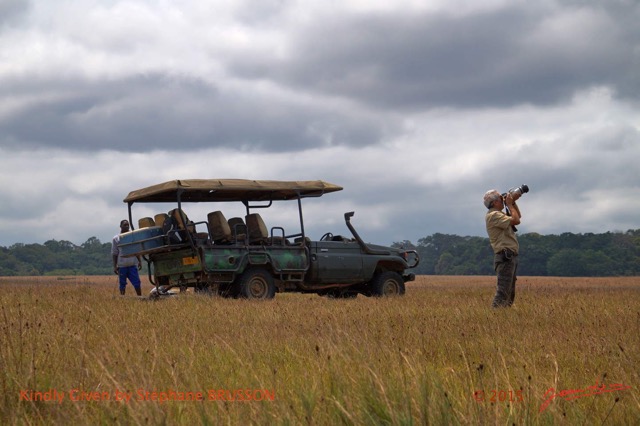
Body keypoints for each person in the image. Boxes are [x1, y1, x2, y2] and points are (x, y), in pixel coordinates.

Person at [483, 189, 522, 308]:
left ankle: (503, 318)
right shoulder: (493, 216)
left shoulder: (499, 215)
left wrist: (513, 203)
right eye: (501, 199)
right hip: (505, 256)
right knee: (503, 292)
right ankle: (493, 318)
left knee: (509, 293)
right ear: (494, 203)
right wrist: (509, 204)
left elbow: (517, 216)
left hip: (509, 257)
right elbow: (516, 220)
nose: (503, 200)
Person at [111, 219, 142, 296]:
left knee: (137, 283)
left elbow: (136, 250)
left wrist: (139, 261)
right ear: (120, 226)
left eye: (128, 225)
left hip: (132, 265)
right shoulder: (116, 238)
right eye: (125, 225)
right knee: (122, 284)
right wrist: (115, 266)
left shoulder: (132, 236)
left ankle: (140, 297)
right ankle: (122, 299)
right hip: (122, 266)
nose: (127, 226)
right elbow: (114, 253)